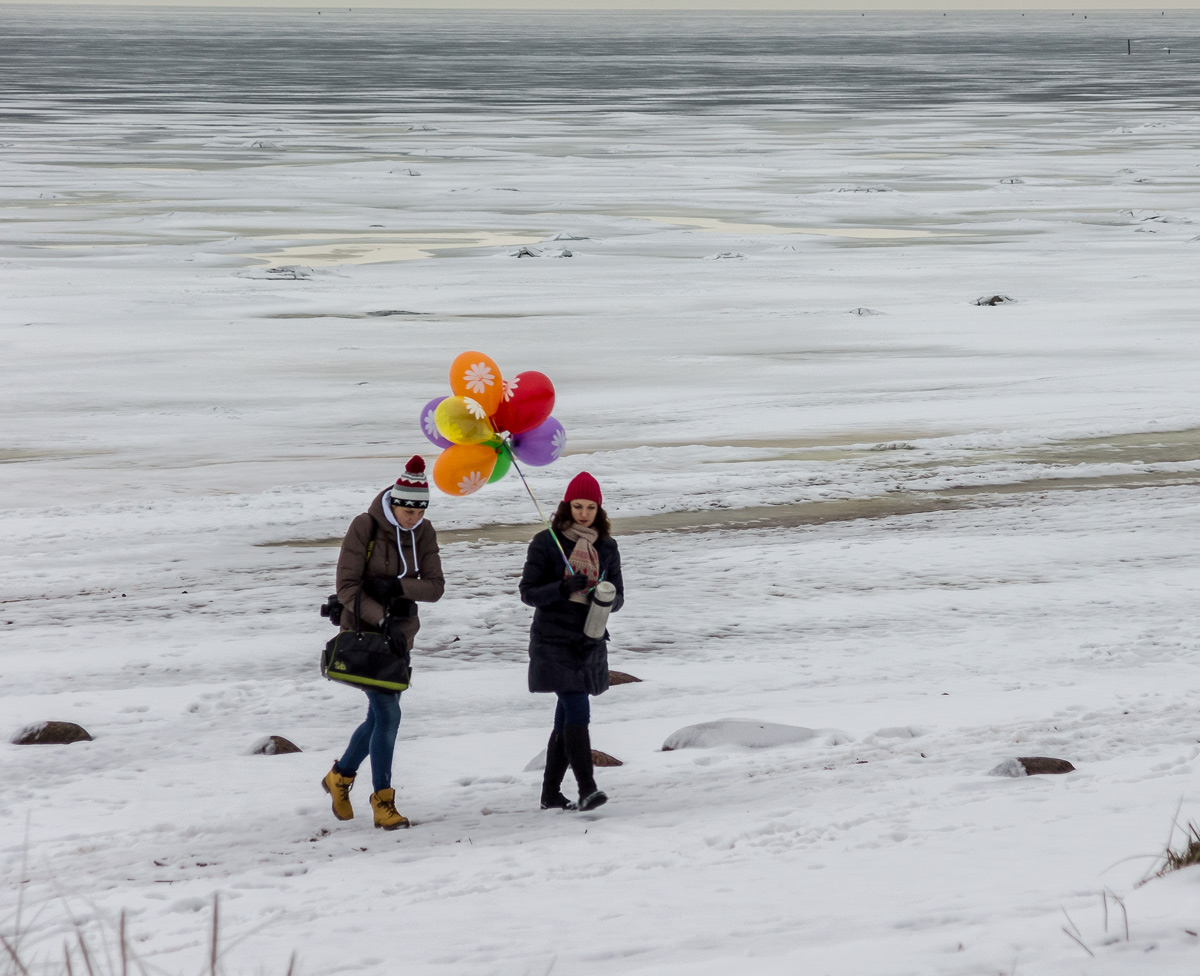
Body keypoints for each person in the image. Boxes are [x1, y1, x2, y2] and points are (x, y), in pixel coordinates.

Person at [321, 456, 444, 830]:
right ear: (394, 502)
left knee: (378, 716)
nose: (413, 517)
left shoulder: (424, 532)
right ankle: (383, 800)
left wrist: (398, 588)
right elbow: (347, 587)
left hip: (400, 639)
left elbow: (435, 587)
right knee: (388, 713)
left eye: (419, 510)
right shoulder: (365, 526)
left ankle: (339, 777)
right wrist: (383, 617)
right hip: (364, 634)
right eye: (407, 509)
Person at [520, 471, 624, 811]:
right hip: (553, 639)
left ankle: (550, 794)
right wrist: (563, 588)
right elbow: (528, 593)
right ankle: (587, 788)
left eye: (590, 507)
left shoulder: (607, 546)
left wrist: (603, 595)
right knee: (578, 707)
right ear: (567, 506)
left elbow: (619, 597)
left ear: (599, 509)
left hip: (589, 639)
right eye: (577, 506)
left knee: (565, 718)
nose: (583, 513)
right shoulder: (546, 541)